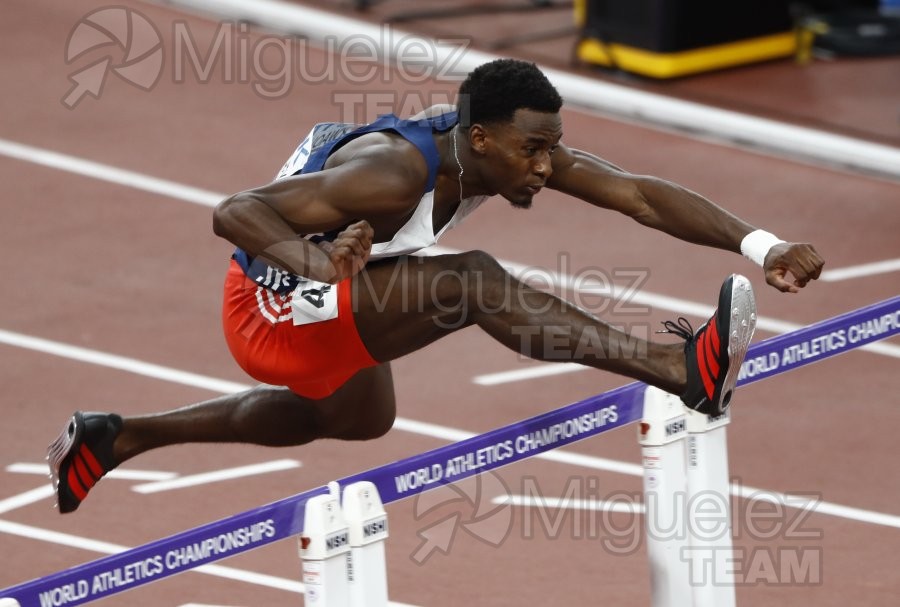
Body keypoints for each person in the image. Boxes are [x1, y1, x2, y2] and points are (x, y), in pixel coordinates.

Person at [48, 59, 824, 513]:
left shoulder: (498, 151)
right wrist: (316, 262)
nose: (547, 167)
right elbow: (235, 211)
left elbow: (639, 194)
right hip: (272, 306)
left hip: (344, 292)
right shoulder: (391, 171)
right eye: (534, 151)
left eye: (552, 149)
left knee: (360, 417)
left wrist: (763, 243)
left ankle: (123, 435)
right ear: (481, 139)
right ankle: (679, 371)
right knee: (473, 281)